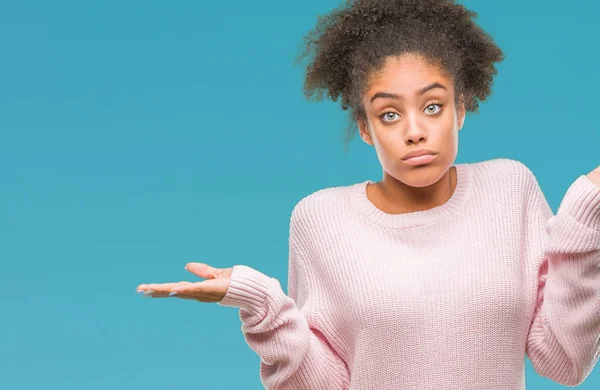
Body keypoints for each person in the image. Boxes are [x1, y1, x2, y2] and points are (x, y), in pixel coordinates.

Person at [136, 0, 600, 388]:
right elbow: (324, 382)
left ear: (461, 109)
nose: (415, 132)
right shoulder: (320, 220)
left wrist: (586, 207)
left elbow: (564, 359)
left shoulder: (510, 189)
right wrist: (262, 305)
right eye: (390, 115)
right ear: (364, 127)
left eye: (432, 106)